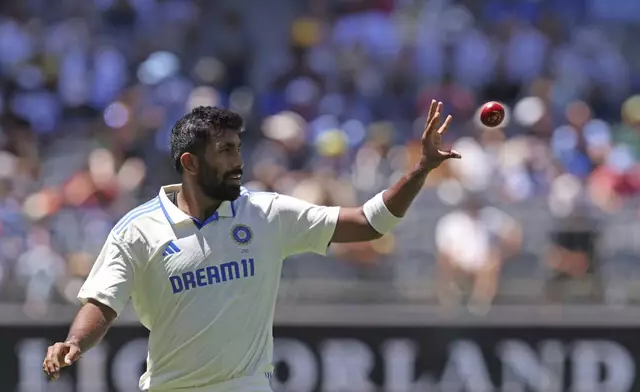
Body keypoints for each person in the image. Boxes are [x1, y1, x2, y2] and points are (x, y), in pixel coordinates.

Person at [42, 101, 460, 392]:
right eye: (225, 151)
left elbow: (370, 224)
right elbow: (103, 301)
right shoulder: (137, 229)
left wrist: (420, 170)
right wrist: (75, 342)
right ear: (190, 163)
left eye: (238, 148)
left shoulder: (265, 213)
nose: (238, 161)